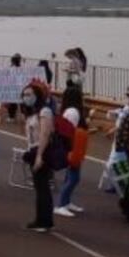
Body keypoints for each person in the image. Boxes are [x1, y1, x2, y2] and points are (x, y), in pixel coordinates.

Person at [22, 81, 55, 232]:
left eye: (29, 94)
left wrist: (39, 155)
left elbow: (45, 134)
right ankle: (40, 219)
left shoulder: (44, 111)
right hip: (33, 149)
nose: (26, 97)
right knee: (39, 186)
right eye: (24, 95)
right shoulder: (32, 113)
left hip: (42, 150)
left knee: (43, 187)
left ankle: (45, 221)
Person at [55, 85, 89, 218]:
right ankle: (61, 204)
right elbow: (68, 131)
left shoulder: (71, 111)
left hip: (74, 146)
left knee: (71, 176)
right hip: (72, 147)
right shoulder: (73, 112)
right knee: (73, 177)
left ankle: (66, 202)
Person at [5, 54, 22, 122]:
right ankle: (15, 115)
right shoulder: (20, 68)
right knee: (15, 102)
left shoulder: (12, 68)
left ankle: (11, 117)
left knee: (12, 102)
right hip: (19, 86)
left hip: (12, 87)